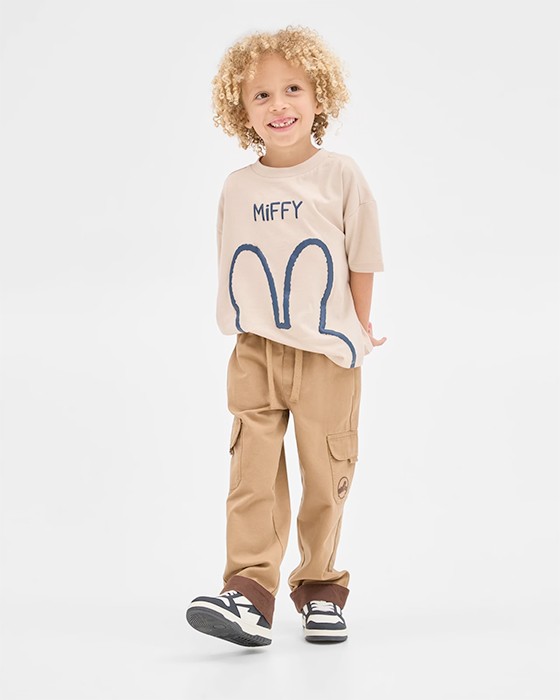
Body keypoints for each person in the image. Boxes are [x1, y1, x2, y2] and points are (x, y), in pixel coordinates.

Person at [186, 25, 387, 648]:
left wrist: (358, 327)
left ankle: (321, 585)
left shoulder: (340, 175)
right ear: (241, 111)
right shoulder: (238, 186)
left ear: (319, 95)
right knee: (252, 471)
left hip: (327, 352)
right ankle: (249, 592)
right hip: (255, 351)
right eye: (262, 95)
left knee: (325, 470)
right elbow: (232, 263)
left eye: (293, 89)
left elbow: (362, 256)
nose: (279, 105)